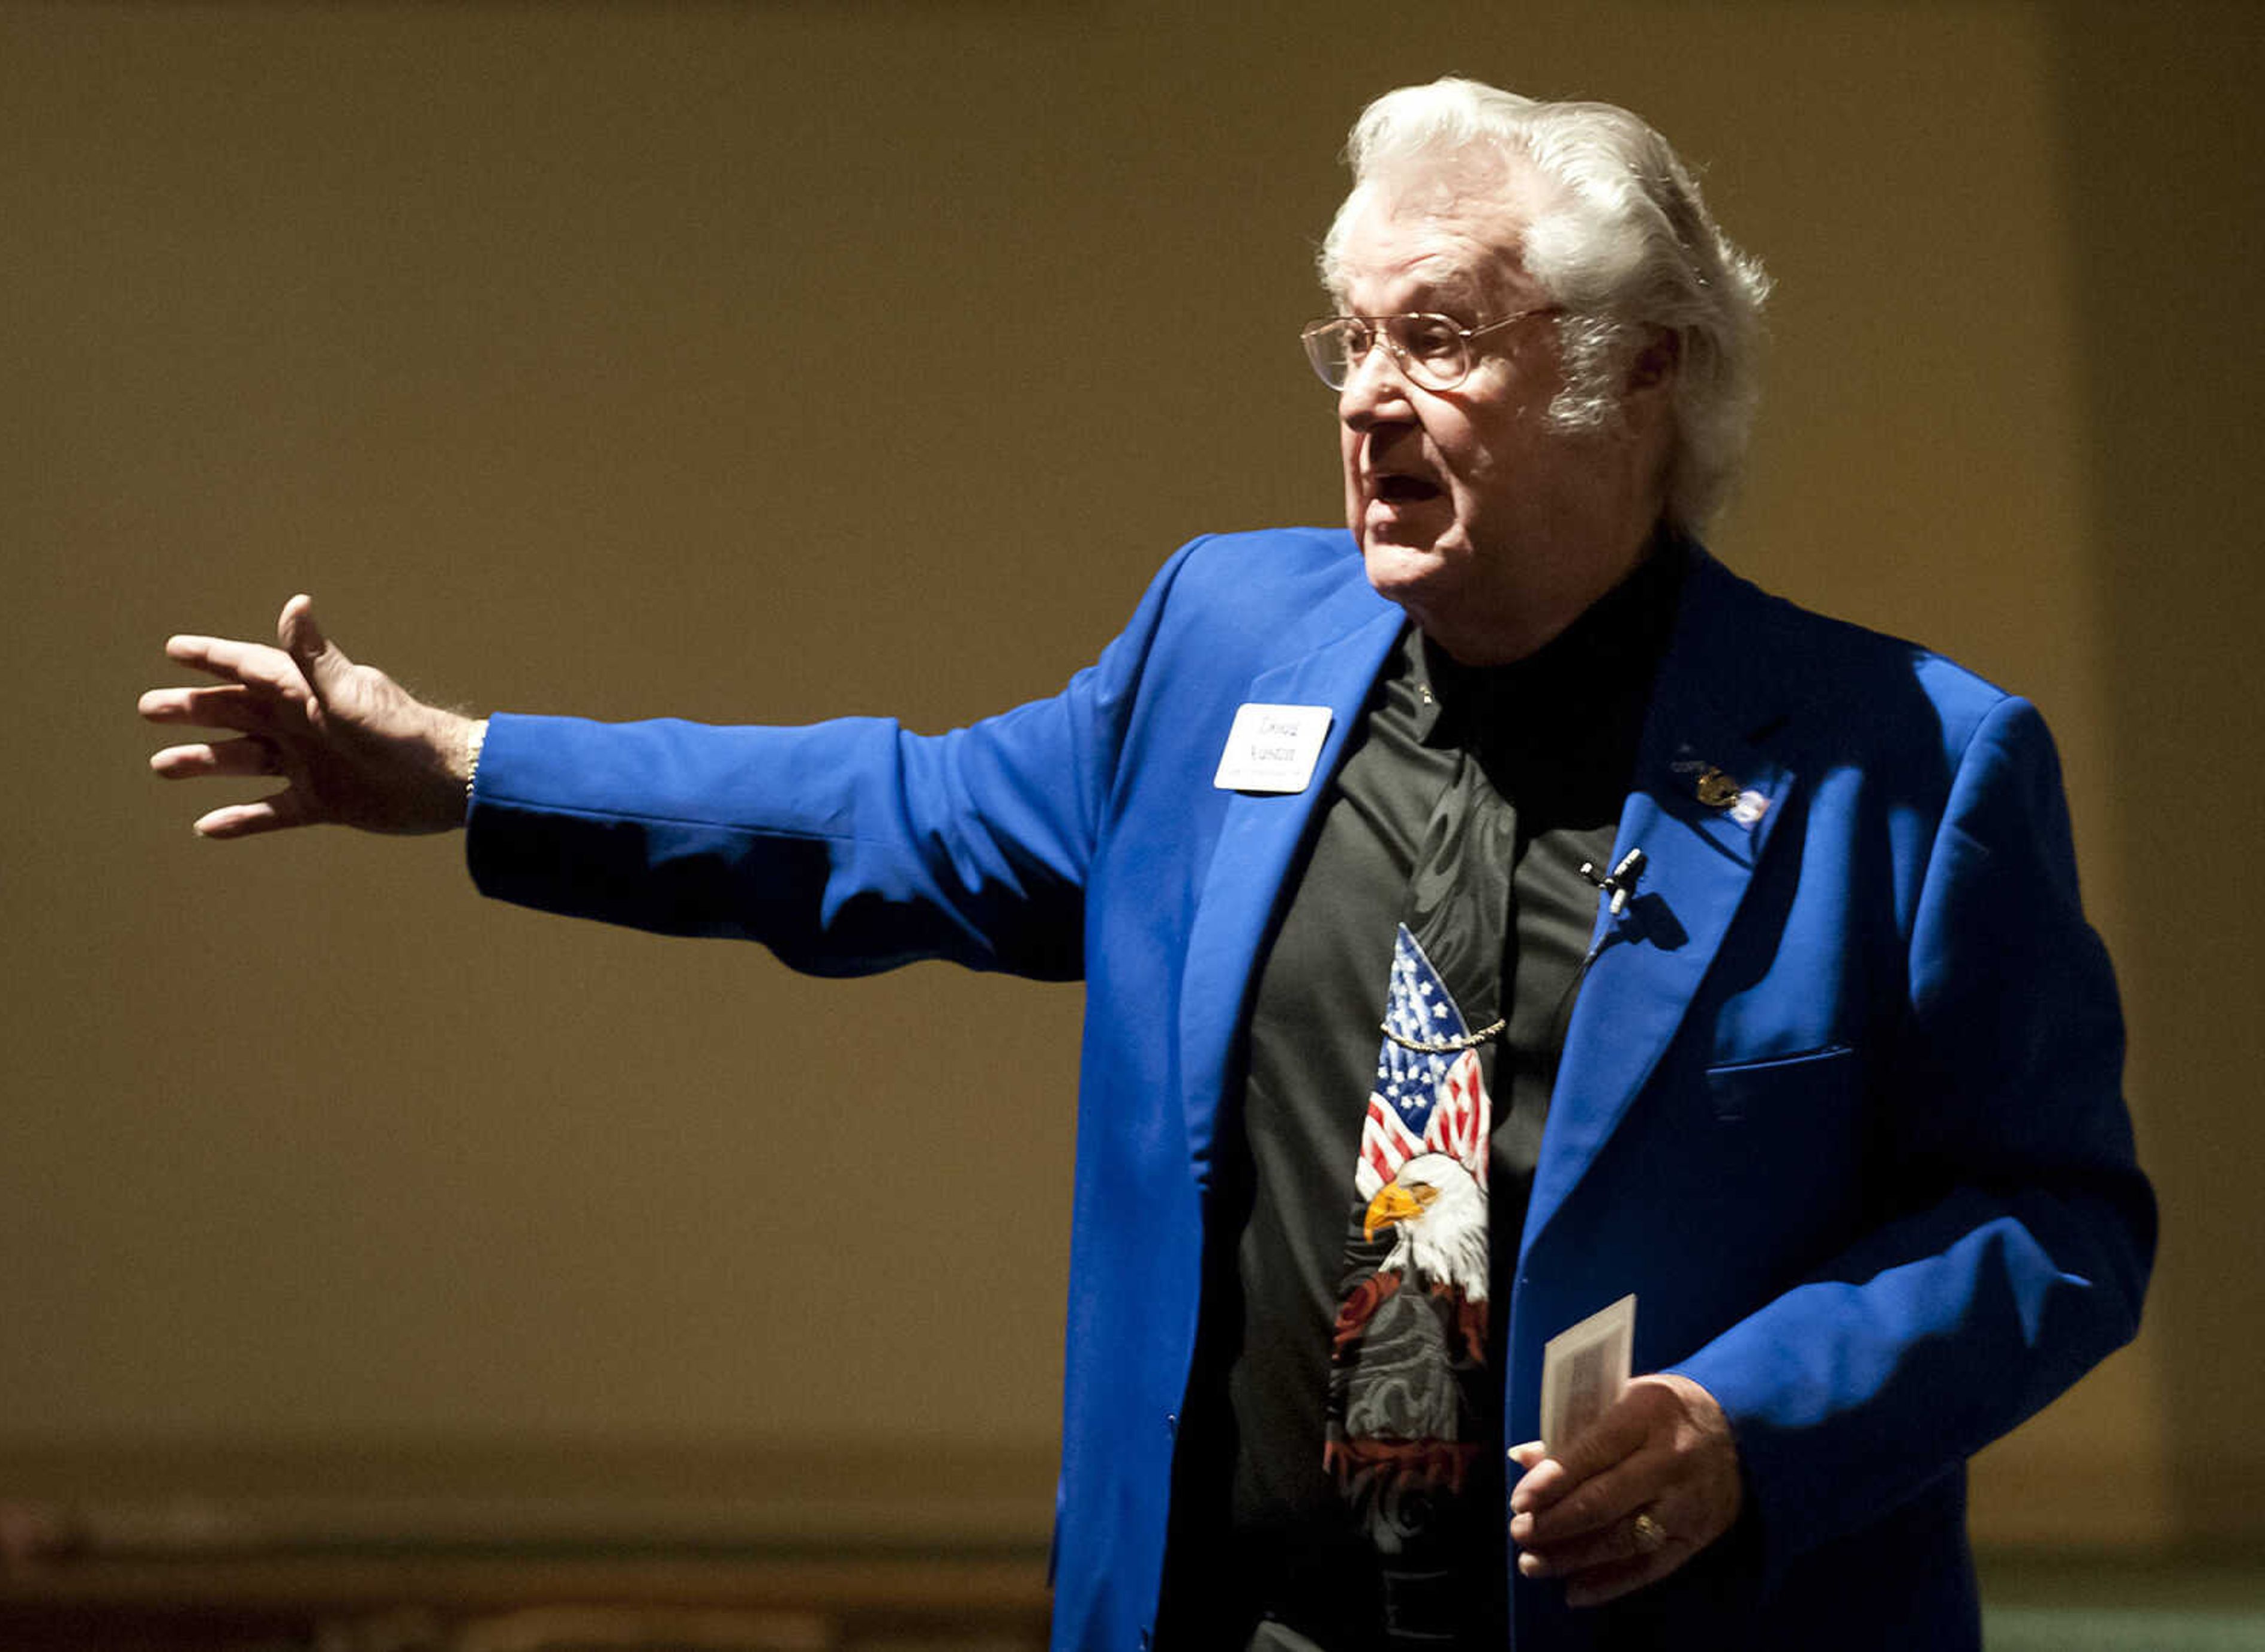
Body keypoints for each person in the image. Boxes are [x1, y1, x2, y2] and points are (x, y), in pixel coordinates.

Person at [141, 79, 2153, 1652]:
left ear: (1641, 378)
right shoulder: (1223, 650)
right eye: (1346, 338)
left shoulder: (1907, 763)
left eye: (1436, 336)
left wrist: (1753, 1425)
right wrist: (475, 770)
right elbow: (890, 819)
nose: (1366, 394)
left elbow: (2055, 1216)